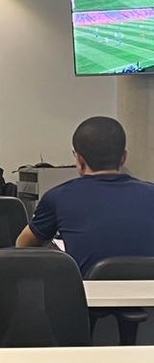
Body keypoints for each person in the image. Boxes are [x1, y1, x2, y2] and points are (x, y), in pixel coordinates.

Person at [16, 116, 154, 274]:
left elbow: (23, 245)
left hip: (88, 296)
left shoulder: (59, 197)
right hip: (149, 295)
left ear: (79, 159)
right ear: (123, 158)